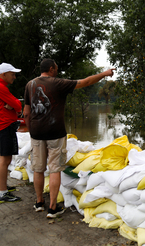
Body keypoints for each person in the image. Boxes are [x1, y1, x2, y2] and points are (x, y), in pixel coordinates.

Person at [24, 58, 114, 218]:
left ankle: (38, 203)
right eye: (56, 68)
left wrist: (32, 131)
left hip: (36, 133)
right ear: (51, 69)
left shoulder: (30, 85)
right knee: (55, 169)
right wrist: (104, 74)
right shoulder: (58, 83)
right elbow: (85, 82)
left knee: (37, 168)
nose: (57, 70)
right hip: (55, 133)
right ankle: (52, 208)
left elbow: (26, 112)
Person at [0, 63, 22, 203]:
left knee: (5, 159)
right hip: (5, 126)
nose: (14, 76)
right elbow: (18, 105)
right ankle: (2, 193)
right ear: (3, 75)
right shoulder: (1, 88)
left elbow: (15, 105)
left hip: (4, 126)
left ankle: (2, 186)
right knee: (5, 160)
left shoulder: (4, 88)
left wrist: (13, 106)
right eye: (12, 74)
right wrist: (14, 107)